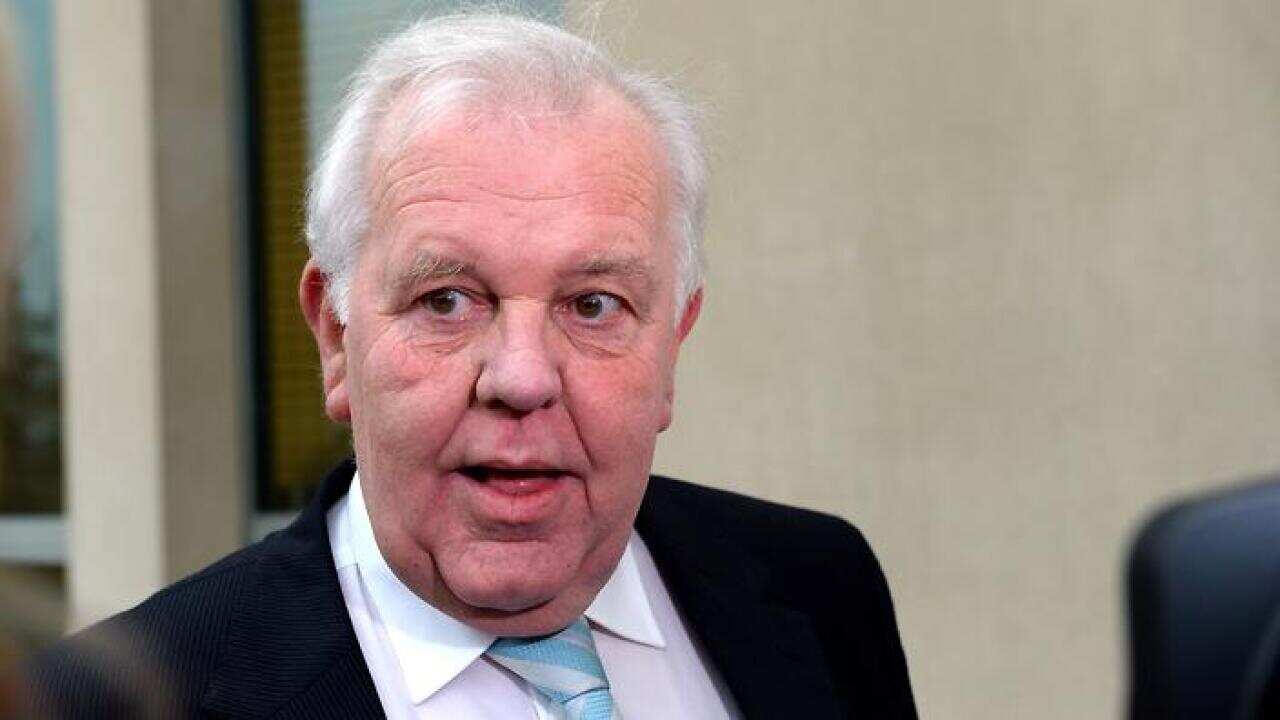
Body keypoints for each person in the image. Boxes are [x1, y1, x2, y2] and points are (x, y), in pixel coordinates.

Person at [27, 12, 916, 719]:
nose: (522, 379)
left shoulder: (818, 587)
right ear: (336, 337)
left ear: (672, 343)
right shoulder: (117, 702)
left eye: (593, 305)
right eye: (448, 300)